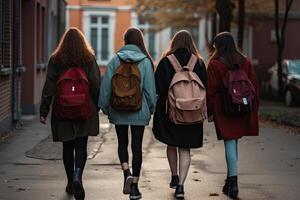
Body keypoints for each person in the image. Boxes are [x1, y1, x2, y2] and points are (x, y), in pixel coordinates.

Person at [40, 27, 101, 200]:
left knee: (67, 146)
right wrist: (96, 106)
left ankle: (69, 182)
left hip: (62, 109)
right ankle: (77, 177)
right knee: (81, 145)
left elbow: (49, 86)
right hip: (84, 108)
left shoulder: (56, 59)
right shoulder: (88, 58)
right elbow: (96, 84)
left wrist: (44, 110)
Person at [99, 27, 156, 200]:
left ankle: (126, 173)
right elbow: (150, 91)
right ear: (140, 41)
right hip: (139, 110)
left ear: (125, 41)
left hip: (118, 109)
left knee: (122, 144)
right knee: (136, 147)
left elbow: (106, 88)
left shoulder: (115, 60)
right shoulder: (146, 62)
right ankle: (135, 189)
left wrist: (105, 108)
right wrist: (150, 109)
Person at [153, 30, 207, 199]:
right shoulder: (198, 63)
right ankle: (181, 186)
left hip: (171, 112)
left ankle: (174, 176)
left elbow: (159, 88)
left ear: (174, 42)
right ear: (192, 43)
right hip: (193, 113)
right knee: (185, 148)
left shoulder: (165, 62)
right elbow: (206, 86)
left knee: (171, 143)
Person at [206, 32, 259, 198]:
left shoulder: (215, 64)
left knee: (229, 142)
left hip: (224, 108)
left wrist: (209, 111)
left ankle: (233, 183)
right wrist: (253, 108)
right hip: (242, 107)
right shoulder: (245, 62)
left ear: (218, 45)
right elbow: (254, 87)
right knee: (233, 142)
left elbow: (211, 90)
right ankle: (229, 182)